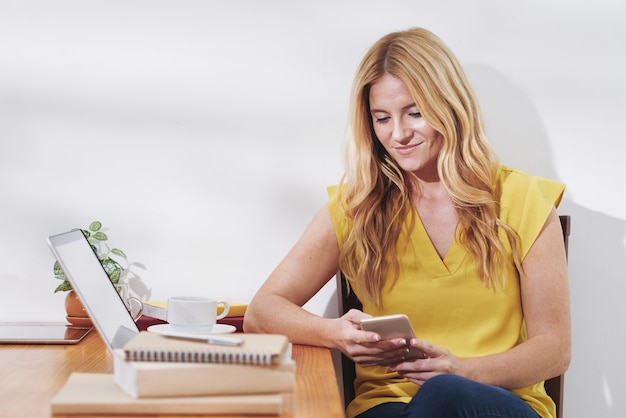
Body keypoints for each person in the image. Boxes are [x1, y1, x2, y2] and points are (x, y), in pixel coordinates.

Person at [244, 27, 570, 418]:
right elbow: (262, 311)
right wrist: (336, 334)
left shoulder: (522, 200)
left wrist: (463, 370)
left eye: (414, 113)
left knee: (446, 393)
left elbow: (555, 348)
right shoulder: (358, 206)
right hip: (390, 406)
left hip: (497, 402)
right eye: (382, 118)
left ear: (449, 105)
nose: (398, 134)